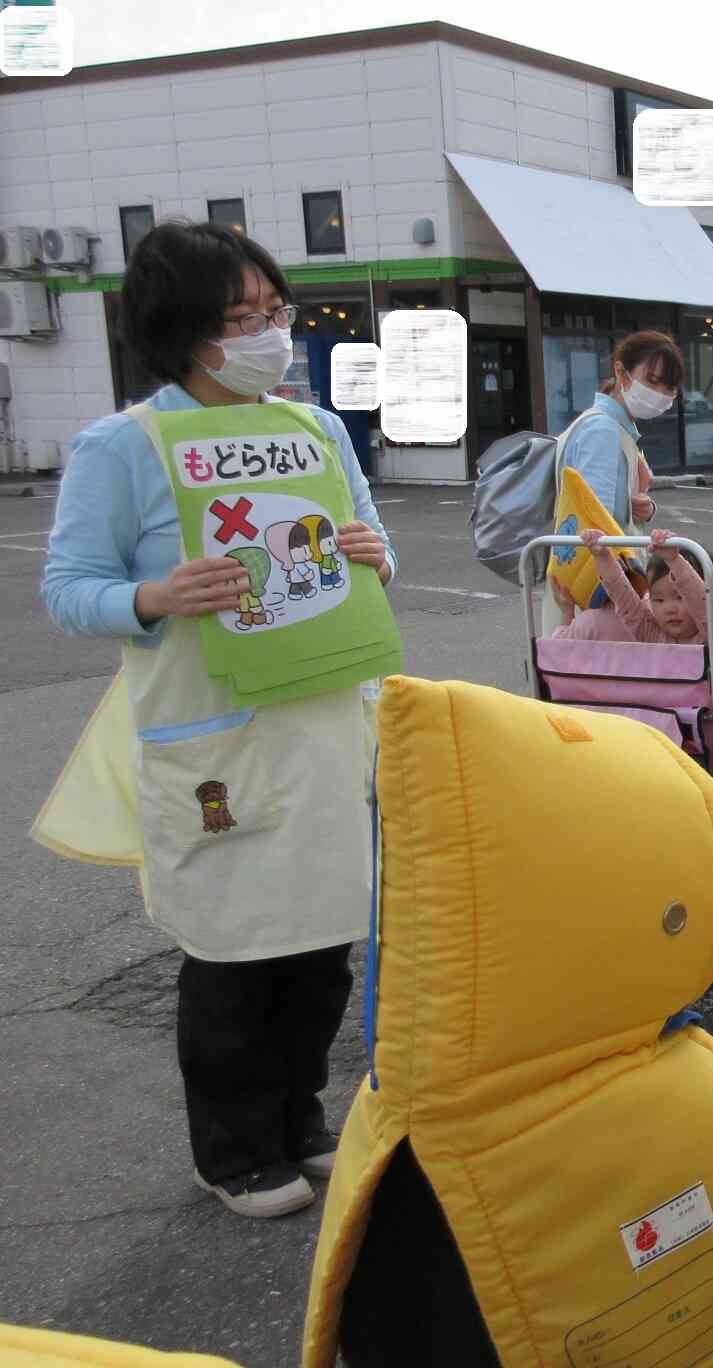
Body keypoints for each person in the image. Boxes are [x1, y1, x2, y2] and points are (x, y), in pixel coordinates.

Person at [37, 221, 395, 1219]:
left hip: (325, 720)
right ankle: (235, 1152)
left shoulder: (313, 431)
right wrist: (153, 598)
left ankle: (301, 1120)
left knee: (323, 941)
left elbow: (374, 555)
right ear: (185, 330)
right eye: (242, 317)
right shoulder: (124, 446)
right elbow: (70, 591)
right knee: (235, 948)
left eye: (273, 312)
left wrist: (373, 552)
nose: (268, 334)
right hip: (210, 735)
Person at [541, 331, 683, 634]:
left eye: (669, 387)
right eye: (653, 380)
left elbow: (600, 504)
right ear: (621, 371)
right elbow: (597, 525)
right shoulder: (603, 431)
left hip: (589, 585)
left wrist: (642, 508)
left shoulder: (606, 425)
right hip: (599, 594)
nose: (660, 394)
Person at [551, 527, 713, 661]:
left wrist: (675, 561)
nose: (670, 609)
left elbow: (702, 606)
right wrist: (602, 556)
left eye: (680, 597)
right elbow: (624, 599)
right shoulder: (651, 634)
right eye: (658, 600)